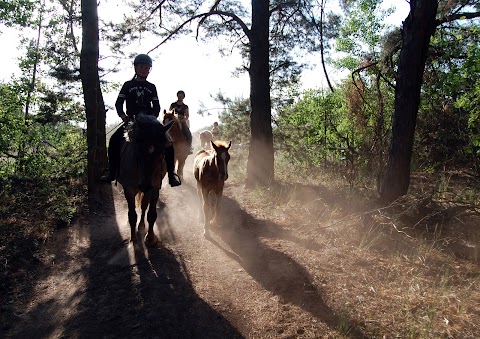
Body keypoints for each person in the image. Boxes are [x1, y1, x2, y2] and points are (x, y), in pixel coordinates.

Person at [100, 54, 181, 187]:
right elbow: (119, 103)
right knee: (114, 140)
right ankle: (112, 171)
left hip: (149, 123)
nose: (144, 69)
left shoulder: (152, 87)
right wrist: (123, 116)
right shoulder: (128, 85)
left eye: (147, 67)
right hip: (132, 122)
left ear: (149, 70)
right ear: (136, 67)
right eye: (141, 66)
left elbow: (156, 106)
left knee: (169, 143)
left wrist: (152, 119)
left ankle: (171, 175)